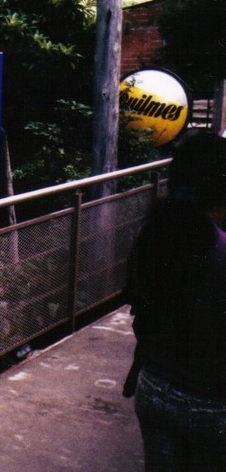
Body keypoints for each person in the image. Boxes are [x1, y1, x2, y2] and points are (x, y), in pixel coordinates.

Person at [124, 131, 226, 471]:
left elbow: (137, 301)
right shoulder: (218, 249)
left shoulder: (152, 231)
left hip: (154, 387)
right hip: (212, 404)